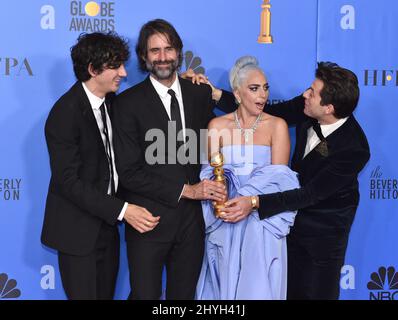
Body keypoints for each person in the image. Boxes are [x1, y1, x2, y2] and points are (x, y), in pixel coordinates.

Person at [198, 61, 370, 300]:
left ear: (328, 107)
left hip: (322, 237)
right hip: (286, 224)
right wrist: (215, 93)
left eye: (311, 93)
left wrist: (254, 202)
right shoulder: (308, 107)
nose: (304, 95)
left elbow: (308, 194)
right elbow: (261, 112)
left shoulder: (354, 149)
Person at [112, 19, 226, 300]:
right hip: (148, 221)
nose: (163, 57)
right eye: (155, 51)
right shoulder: (126, 104)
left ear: (179, 52)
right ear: (143, 56)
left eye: (169, 49)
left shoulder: (199, 93)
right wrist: (188, 191)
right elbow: (128, 172)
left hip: (192, 225)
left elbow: (240, 115)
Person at [41, 32, 158, 300]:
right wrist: (124, 210)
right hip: (77, 234)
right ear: (93, 69)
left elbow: (148, 101)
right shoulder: (64, 114)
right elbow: (68, 182)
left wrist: (184, 83)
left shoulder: (113, 104)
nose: (124, 73)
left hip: (108, 229)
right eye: (115, 66)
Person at [195, 56, 299, 300]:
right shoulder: (216, 126)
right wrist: (222, 201)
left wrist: (247, 202)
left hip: (261, 223)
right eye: (254, 89)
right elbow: (210, 176)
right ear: (237, 94)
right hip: (226, 222)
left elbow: (279, 180)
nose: (262, 95)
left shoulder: (277, 126)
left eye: (265, 88)